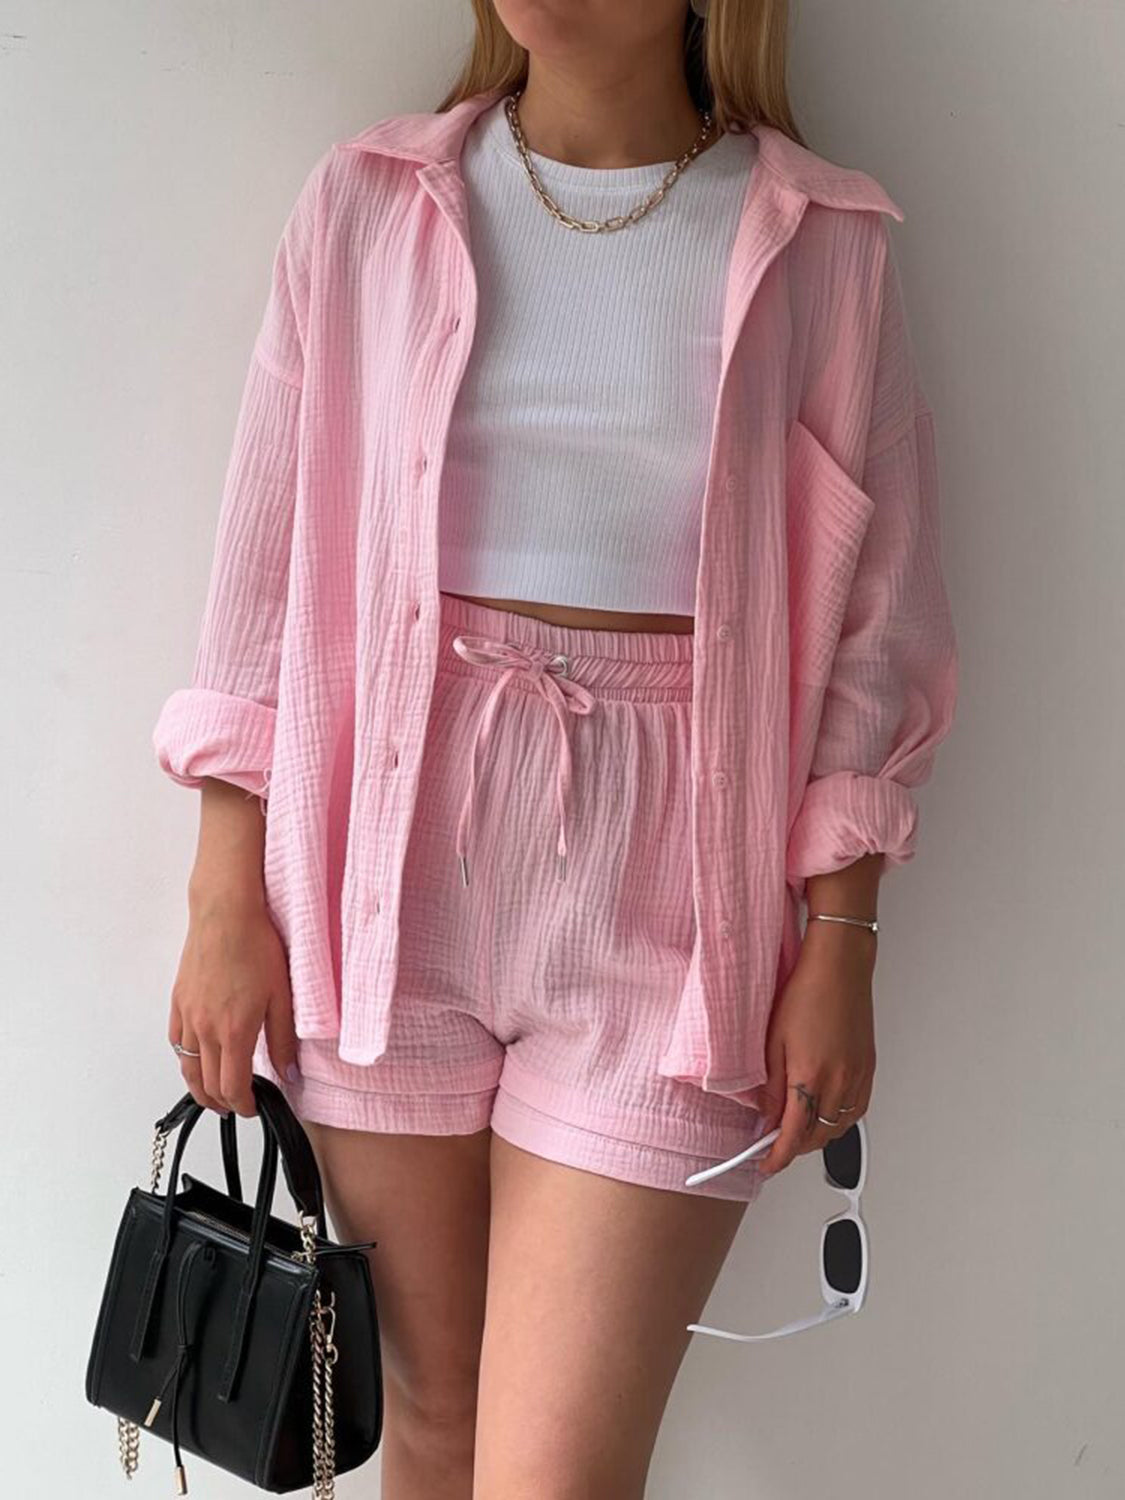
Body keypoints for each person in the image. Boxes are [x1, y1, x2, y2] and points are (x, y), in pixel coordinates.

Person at [152, 2, 958, 1494]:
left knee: (557, 1477)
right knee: (430, 1422)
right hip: (381, 877)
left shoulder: (819, 243)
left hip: (680, 906)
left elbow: (877, 621)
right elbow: (262, 572)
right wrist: (222, 895)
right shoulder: (370, 202)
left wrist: (843, 931)